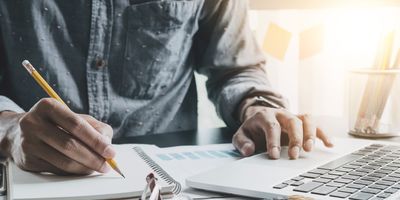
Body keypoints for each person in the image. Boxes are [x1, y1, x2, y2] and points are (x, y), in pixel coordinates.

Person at [0, 0, 333, 175]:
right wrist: (10, 130)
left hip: (171, 181)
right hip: (28, 173)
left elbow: (235, 67)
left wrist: (257, 105)